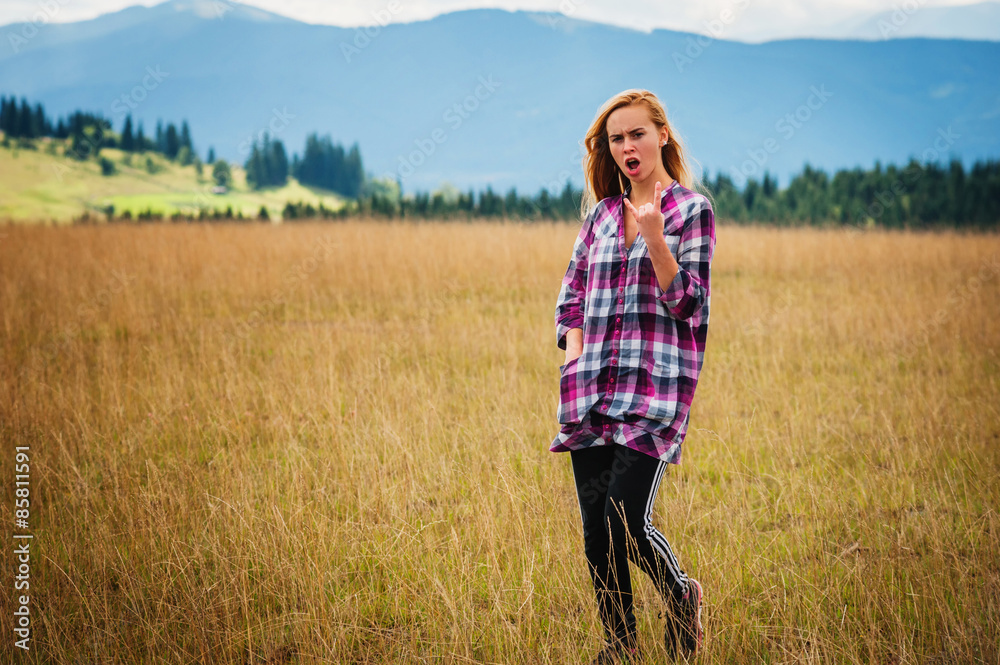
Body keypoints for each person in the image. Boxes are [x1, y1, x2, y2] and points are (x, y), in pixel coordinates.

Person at [552, 89, 716, 663]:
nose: (628, 146)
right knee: (597, 532)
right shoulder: (598, 217)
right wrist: (574, 354)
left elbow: (692, 307)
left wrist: (653, 239)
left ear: (662, 136)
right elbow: (569, 299)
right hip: (591, 393)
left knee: (624, 517)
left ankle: (680, 595)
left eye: (637, 134)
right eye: (617, 138)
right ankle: (618, 648)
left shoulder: (691, 212)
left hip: (653, 393)